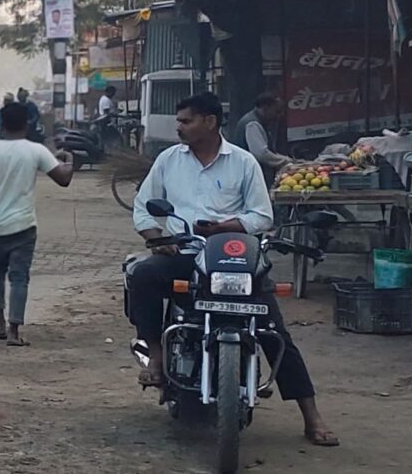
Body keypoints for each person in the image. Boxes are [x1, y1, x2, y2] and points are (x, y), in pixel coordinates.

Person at [127, 93, 337, 447]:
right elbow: (143, 207)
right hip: (185, 251)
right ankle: (158, 357)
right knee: (143, 274)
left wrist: (228, 226)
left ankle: (311, 416)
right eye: (179, 121)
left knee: (272, 329)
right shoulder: (168, 160)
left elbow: (262, 215)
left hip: (234, 255)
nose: (179, 127)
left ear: (209, 122)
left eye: (186, 121)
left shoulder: (243, 163)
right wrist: (157, 237)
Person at [0, 102, 74, 345]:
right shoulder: (35, 151)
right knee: (19, 277)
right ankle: (14, 332)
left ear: (1, 123)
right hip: (23, 226)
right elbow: (63, 180)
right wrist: (69, 161)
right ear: (27, 123)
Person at [235, 92, 289, 177]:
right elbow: (262, 154)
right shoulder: (252, 124)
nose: (279, 116)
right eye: (277, 111)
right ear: (266, 108)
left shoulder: (259, 122)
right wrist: (285, 161)